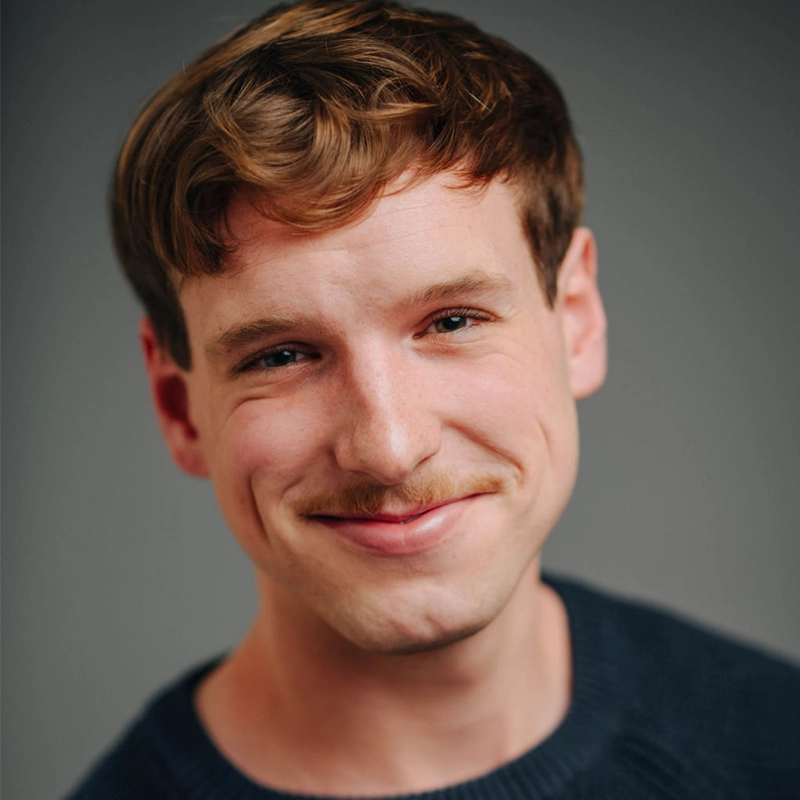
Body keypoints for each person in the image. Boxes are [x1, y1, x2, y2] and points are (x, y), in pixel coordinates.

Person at [67, 1, 800, 797]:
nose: (388, 447)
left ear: (578, 323)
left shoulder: (774, 740)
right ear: (180, 410)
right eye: (280, 355)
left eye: (452, 320)